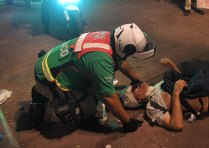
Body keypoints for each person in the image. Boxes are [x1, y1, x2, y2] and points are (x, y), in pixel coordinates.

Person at [24, 23, 156, 135]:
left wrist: (135, 79)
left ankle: (49, 95)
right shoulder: (101, 60)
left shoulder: (108, 37)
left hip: (50, 62)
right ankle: (41, 109)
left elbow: (120, 60)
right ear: (127, 48)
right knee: (87, 108)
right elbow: (109, 97)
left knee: (95, 91)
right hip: (48, 78)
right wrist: (127, 122)